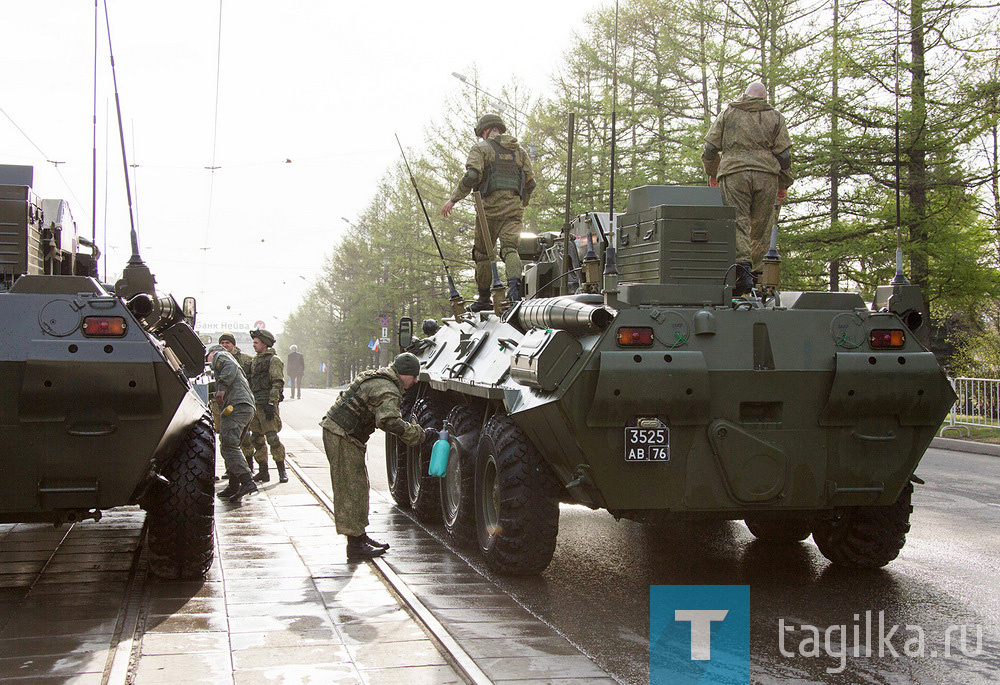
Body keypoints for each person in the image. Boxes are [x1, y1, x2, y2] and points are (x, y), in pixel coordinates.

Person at [319, 352, 437, 560]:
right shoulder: (387, 388)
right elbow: (389, 422)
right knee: (350, 489)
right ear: (403, 374)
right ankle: (355, 546)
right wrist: (420, 434)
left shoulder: (381, 378)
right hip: (342, 435)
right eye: (414, 376)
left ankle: (360, 537)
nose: (416, 381)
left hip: (345, 435)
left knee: (359, 487)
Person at [702, 81, 793, 295]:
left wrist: (713, 172)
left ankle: (742, 272)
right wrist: (784, 181)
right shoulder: (776, 117)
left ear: (745, 95)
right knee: (763, 225)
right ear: (764, 97)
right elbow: (785, 155)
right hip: (766, 175)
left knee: (738, 221)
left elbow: (709, 148)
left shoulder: (728, 113)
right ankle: (759, 278)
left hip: (734, 173)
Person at [441, 113, 536, 311]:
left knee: (483, 254)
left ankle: (484, 298)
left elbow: (472, 175)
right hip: (513, 210)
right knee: (510, 249)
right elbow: (530, 182)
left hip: (489, 212)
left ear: (485, 131)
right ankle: (514, 292)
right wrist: (521, 203)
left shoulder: (482, 148)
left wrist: (453, 199)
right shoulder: (520, 152)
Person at [206, 345, 258, 503]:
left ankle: (247, 482)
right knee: (232, 446)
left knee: (229, 445)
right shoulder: (225, 364)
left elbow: (228, 368)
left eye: (207, 357)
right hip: (244, 406)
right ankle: (234, 485)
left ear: (213, 353)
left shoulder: (220, 356)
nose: (207, 361)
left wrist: (221, 389)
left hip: (236, 406)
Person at [247, 329, 288, 484]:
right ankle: (263, 471)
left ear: (264, 344)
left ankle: (281, 471)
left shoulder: (274, 360)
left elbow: (277, 382)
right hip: (255, 404)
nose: (254, 345)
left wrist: (272, 402)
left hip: (266, 405)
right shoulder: (255, 361)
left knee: (272, 438)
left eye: (256, 342)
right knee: (256, 439)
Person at [219, 332, 256, 468]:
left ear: (233, 344)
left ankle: (249, 466)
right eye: (222, 343)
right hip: (226, 403)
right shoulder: (220, 359)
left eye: (227, 343)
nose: (224, 345)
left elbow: (254, 378)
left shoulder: (246, 359)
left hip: (242, 402)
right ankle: (232, 468)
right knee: (227, 438)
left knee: (246, 438)